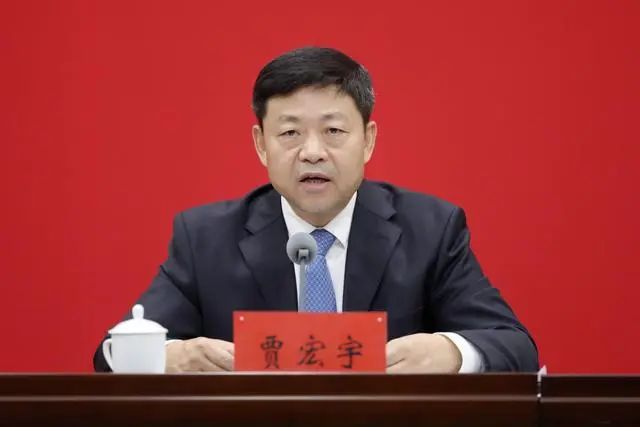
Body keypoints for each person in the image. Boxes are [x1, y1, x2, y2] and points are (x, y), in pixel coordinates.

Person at [93, 47, 538, 373]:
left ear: (368, 140)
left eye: (333, 131)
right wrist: (169, 357)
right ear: (260, 145)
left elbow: (514, 346)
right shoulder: (206, 238)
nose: (312, 152)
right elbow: (109, 355)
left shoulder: (430, 229)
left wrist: (450, 352)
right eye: (290, 133)